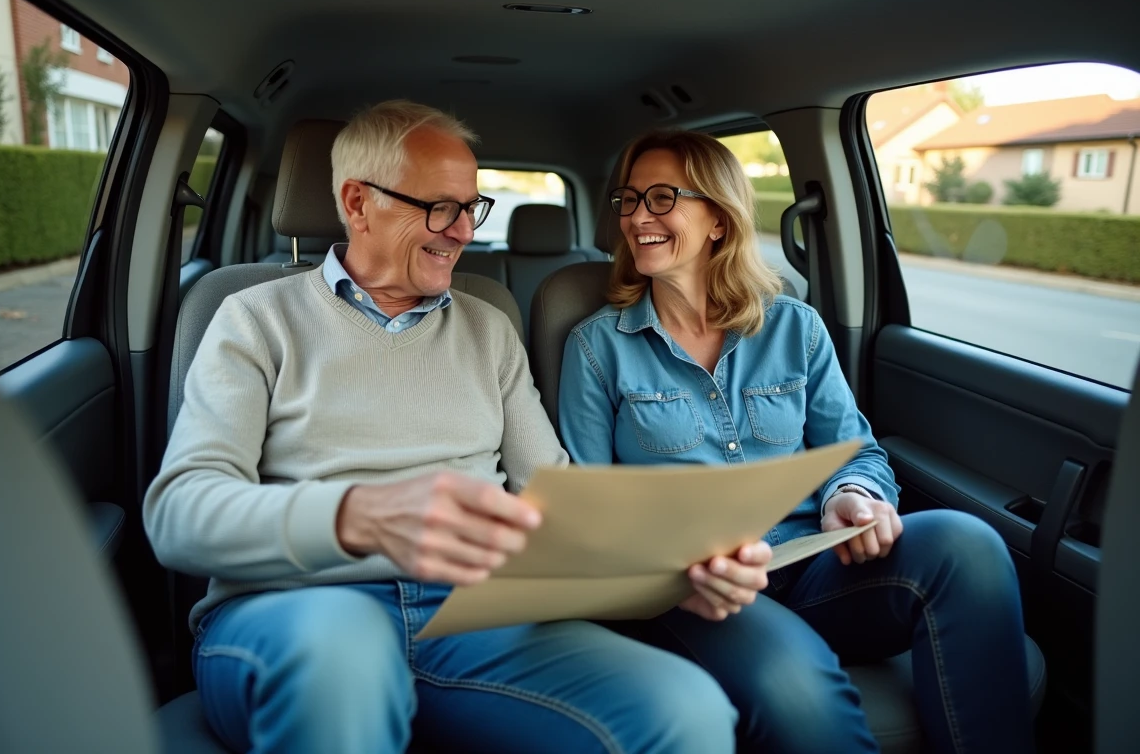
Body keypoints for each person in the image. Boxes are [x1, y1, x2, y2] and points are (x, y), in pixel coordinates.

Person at [145, 101, 740, 753]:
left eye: (471, 207)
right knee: (341, 660)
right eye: (440, 208)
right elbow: (180, 513)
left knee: (686, 711)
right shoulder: (253, 319)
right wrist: (357, 517)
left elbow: (556, 494)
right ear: (358, 203)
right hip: (295, 610)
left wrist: (681, 561)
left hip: (474, 617)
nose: (462, 232)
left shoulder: (489, 328)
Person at [558, 129, 1035, 754]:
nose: (636, 216)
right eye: (628, 199)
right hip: (701, 593)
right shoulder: (597, 346)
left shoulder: (795, 327)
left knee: (966, 542)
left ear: (719, 220)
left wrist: (854, 494)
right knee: (794, 679)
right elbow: (585, 515)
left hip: (815, 566)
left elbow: (856, 451)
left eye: (661, 196)